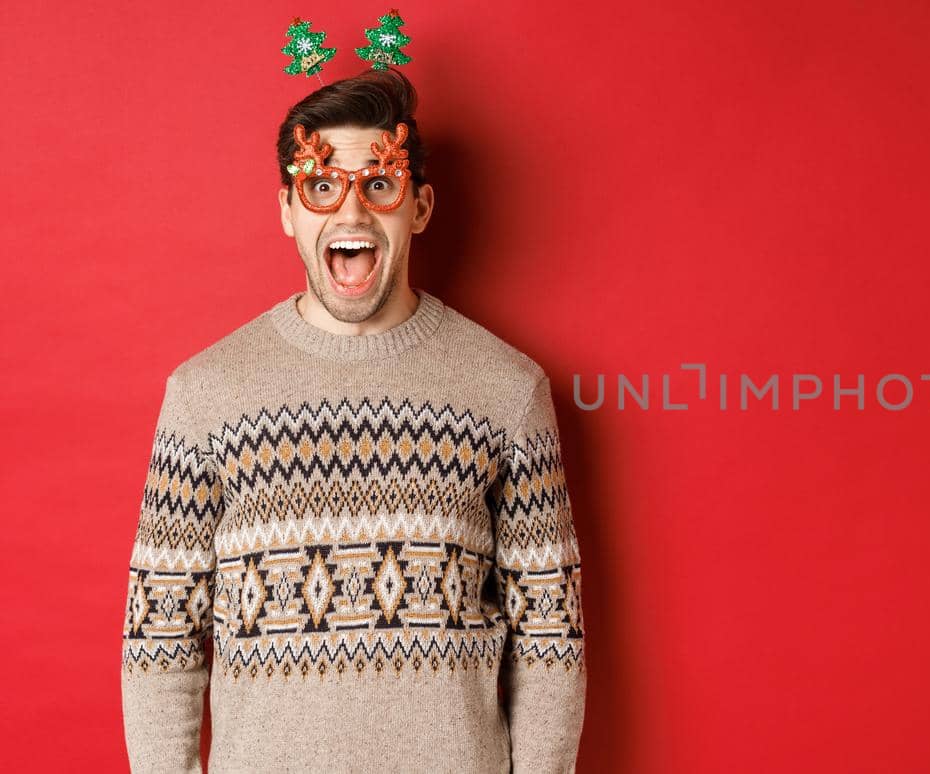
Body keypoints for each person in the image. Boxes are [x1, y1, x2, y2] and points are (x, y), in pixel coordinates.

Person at [119, 69, 587, 773]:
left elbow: (551, 634)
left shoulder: (508, 392)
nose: (351, 215)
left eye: (378, 185)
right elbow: (160, 639)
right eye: (321, 186)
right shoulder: (204, 395)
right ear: (288, 209)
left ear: (420, 206)